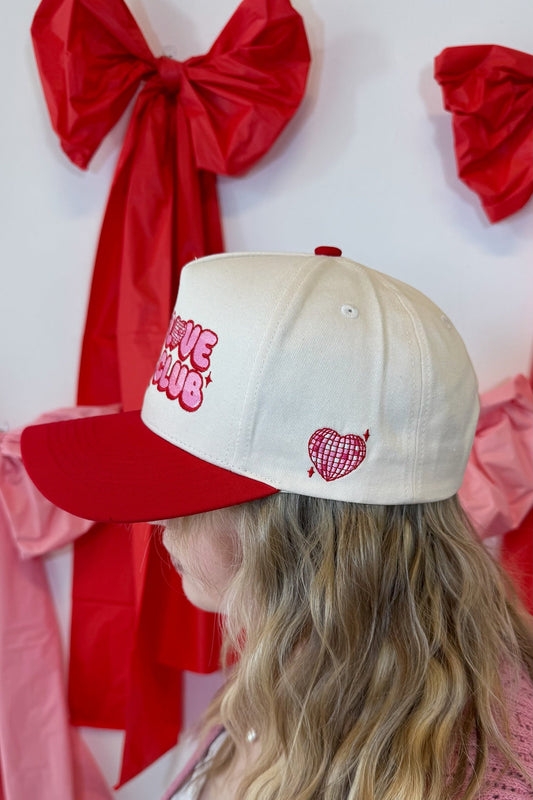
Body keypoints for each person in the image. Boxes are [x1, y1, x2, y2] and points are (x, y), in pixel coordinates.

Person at [21, 248, 533, 800]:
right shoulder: (299, 663)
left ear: (297, 534)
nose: (158, 518)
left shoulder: (482, 779)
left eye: (183, 491)